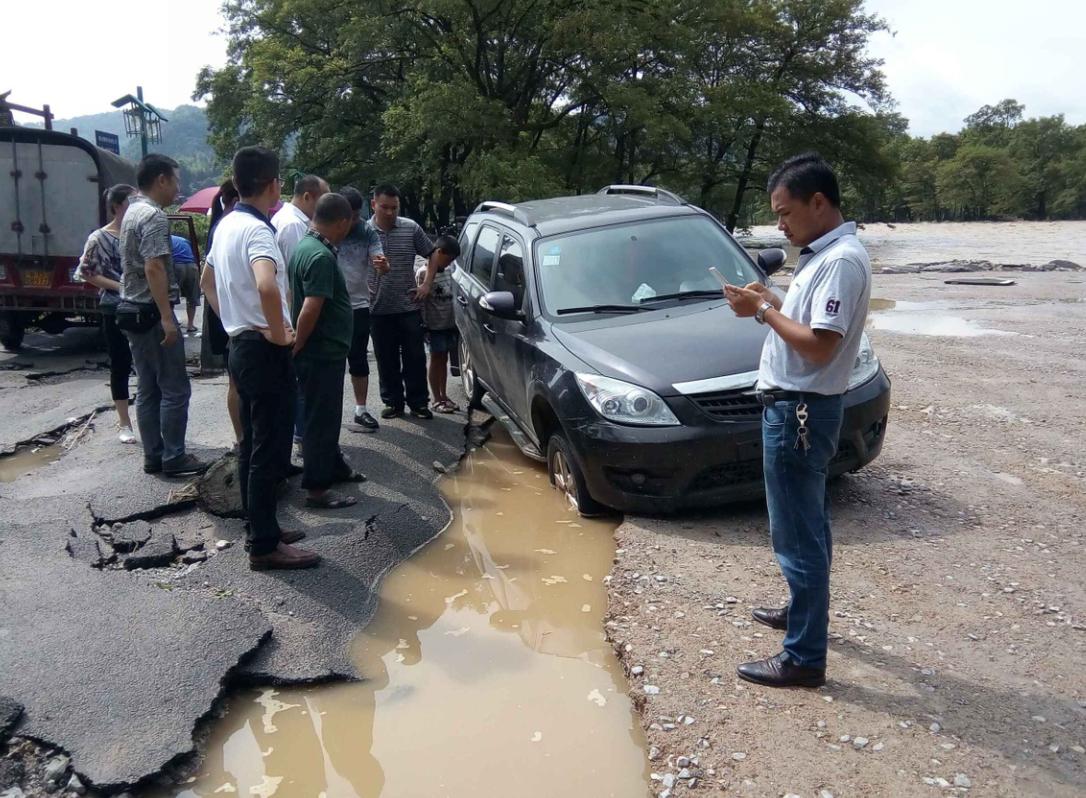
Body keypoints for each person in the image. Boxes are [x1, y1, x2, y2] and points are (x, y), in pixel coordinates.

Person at [724, 153, 871, 688]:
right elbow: (809, 323)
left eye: (785, 213)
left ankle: (804, 657)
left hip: (799, 410)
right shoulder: (826, 255)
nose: (779, 225)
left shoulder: (839, 262)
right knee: (807, 523)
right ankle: (802, 612)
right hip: (799, 407)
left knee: (797, 533)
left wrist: (761, 313)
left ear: (818, 202)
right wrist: (773, 299)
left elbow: (817, 345)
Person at [202, 146, 319, 571]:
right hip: (262, 349)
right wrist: (275, 332)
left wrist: (233, 319)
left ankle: (262, 527)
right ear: (272, 184)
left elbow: (206, 280)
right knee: (269, 449)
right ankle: (265, 545)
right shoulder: (258, 231)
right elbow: (268, 287)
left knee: (254, 445)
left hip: (241, 345)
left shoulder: (226, 224)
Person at [119, 154, 207, 477]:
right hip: (152, 314)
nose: (178, 188)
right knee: (174, 387)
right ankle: (174, 455)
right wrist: (168, 318)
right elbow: (154, 266)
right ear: (161, 180)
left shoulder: (130, 213)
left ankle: (153, 455)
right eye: (176, 180)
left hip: (131, 310)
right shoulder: (154, 216)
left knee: (147, 387)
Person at [289, 193, 367, 509]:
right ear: (342, 221)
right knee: (321, 419)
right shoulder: (319, 256)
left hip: (323, 351)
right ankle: (318, 489)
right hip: (320, 352)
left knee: (327, 415)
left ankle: (333, 466)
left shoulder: (307, 247)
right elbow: (310, 306)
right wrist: (299, 343)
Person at [367, 184, 441, 420]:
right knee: (385, 359)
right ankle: (393, 403)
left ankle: (419, 403)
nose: (389, 212)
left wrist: (427, 284)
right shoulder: (363, 232)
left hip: (408, 304)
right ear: (373, 205)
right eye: (384, 207)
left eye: (394, 207)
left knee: (415, 357)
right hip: (377, 307)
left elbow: (433, 253)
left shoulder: (410, 228)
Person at [75, 183, 138, 444]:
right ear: (117, 206)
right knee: (120, 363)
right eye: (132, 202)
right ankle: (124, 422)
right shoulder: (99, 238)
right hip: (115, 307)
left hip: (143, 305)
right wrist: (120, 286)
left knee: (147, 366)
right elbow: (88, 273)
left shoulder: (139, 233)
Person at [272, 174, 329, 452]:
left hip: (288, 312)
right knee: (304, 383)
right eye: (323, 197)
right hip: (293, 313)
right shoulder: (294, 226)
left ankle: (304, 436)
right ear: (308, 196)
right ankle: (306, 439)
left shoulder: (290, 219)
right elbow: (301, 280)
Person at [337, 187, 388, 432]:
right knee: (332, 362)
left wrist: (382, 266)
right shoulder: (326, 228)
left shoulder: (366, 231)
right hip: (330, 307)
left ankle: (361, 409)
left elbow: (379, 261)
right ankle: (330, 411)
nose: (354, 220)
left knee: (358, 359)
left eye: (357, 215)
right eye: (350, 215)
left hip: (358, 305)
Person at [202, 179, 243, 445]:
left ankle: (243, 438)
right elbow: (206, 282)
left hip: (228, 318)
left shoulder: (224, 226)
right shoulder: (225, 229)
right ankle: (241, 438)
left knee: (238, 381)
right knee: (237, 383)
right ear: (232, 202)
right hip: (230, 320)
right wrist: (227, 316)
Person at [414, 236, 462, 413]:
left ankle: (444, 395)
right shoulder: (423, 274)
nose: (449, 263)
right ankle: (436, 398)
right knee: (435, 359)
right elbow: (421, 302)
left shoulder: (450, 271)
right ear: (438, 253)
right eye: (448, 259)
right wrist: (424, 325)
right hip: (433, 326)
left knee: (444, 359)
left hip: (449, 324)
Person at [171, 234, 201, 335]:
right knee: (192, 297)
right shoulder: (183, 240)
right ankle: (190, 325)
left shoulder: (164, 239)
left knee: (171, 295)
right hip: (192, 266)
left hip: (176, 266)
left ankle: (172, 323)